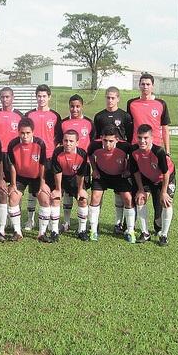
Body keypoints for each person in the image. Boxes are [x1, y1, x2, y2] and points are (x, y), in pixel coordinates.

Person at [93, 86, 133, 234]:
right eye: (108, 97)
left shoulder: (125, 116)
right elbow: (97, 141)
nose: (110, 100)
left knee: (120, 194)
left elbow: (127, 140)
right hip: (103, 162)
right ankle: (94, 224)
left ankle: (118, 224)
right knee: (97, 194)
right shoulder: (99, 116)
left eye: (113, 98)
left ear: (118, 98)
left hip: (120, 162)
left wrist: (127, 167)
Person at [130, 124, 176, 246]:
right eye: (139, 137)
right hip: (148, 177)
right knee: (140, 199)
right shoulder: (134, 151)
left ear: (152, 138)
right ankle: (145, 233)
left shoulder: (159, 151)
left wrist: (164, 192)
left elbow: (166, 173)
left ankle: (164, 235)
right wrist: (140, 189)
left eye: (145, 138)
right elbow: (135, 171)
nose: (142, 141)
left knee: (166, 202)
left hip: (165, 178)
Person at [6, 117, 51, 243]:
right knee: (13, 197)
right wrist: (13, 184)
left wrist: (42, 183)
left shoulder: (40, 144)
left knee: (45, 199)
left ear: (33, 132)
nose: (25, 136)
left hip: (37, 177)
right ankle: (17, 232)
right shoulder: (13, 144)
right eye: (22, 133)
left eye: (28, 133)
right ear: (18, 132)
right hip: (20, 177)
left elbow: (42, 165)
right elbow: (12, 165)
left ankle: (42, 233)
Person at [87, 126, 135, 242]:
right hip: (102, 175)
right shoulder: (94, 145)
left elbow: (133, 158)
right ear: (101, 138)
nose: (107, 144)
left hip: (119, 175)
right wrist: (95, 170)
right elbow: (90, 155)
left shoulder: (125, 146)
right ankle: (93, 230)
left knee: (128, 199)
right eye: (105, 140)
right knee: (95, 197)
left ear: (117, 140)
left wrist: (127, 170)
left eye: (111, 141)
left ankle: (130, 230)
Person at [24, 84, 62, 231]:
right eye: (39, 96)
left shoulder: (55, 116)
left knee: (49, 191)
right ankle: (30, 220)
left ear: (49, 97)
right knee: (33, 190)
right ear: (36, 97)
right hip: (33, 157)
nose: (41, 99)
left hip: (49, 158)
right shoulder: (29, 115)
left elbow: (58, 137)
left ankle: (52, 222)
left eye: (44, 96)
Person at [0, 87, 23, 235]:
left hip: (14, 155)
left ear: (13, 97)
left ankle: (14, 217)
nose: (5, 99)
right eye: (2, 97)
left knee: (15, 186)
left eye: (7, 97)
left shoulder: (19, 116)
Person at [60, 94, 95, 233]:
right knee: (67, 193)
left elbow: (93, 145)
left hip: (83, 165)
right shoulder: (62, 123)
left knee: (82, 195)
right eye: (72, 106)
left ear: (82, 106)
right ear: (69, 107)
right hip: (66, 164)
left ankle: (82, 227)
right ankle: (67, 222)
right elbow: (59, 142)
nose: (74, 109)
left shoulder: (89, 123)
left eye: (77, 106)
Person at [49, 130, 89, 242]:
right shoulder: (57, 152)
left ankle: (82, 230)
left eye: (71, 141)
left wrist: (80, 190)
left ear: (77, 142)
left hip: (75, 178)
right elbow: (57, 172)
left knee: (83, 199)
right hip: (61, 178)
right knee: (55, 199)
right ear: (62, 141)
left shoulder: (82, 154)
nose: (68, 143)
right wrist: (57, 189)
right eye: (65, 140)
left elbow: (81, 174)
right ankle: (54, 231)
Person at [126, 73, 170, 154]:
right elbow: (129, 126)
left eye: (148, 84)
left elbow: (165, 129)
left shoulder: (161, 103)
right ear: (139, 85)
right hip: (136, 145)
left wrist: (167, 151)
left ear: (152, 86)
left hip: (155, 146)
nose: (145, 86)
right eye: (143, 84)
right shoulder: (131, 103)